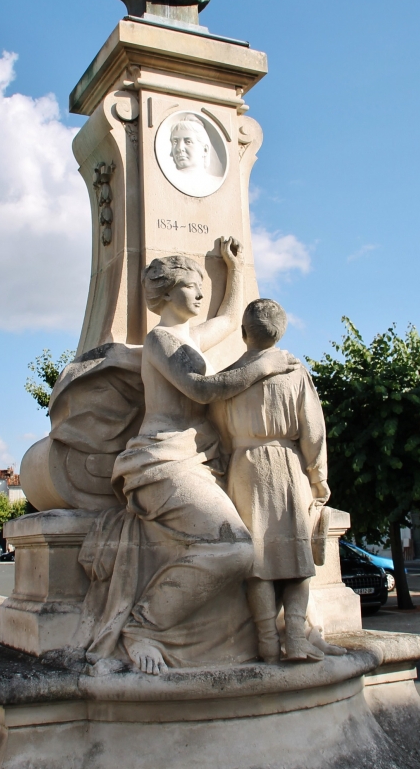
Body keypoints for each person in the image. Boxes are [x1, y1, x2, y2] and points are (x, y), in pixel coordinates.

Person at [77, 241, 299, 675]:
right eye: (192, 286)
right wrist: (264, 367)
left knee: (238, 548)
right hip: (163, 460)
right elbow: (200, 388)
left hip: (194, 459)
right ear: (164, 293)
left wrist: (234, 272)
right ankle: (143, 627)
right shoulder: (160, 339)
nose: (200, 293)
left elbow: (232, 318)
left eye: (202, 286)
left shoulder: (190, 336)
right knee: (235, 549)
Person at [214, 299, 341, 663]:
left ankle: (267, 642)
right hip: (288, 465)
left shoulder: (232, 375)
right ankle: (297, 639)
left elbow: (220, 432)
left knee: (259, 561)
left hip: (244, 467)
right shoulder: (295, 372)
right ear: (282, 332)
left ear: (243, 333)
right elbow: (313, 432)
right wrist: (319, 478)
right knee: (298, 558)